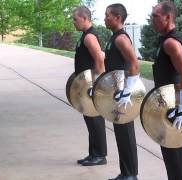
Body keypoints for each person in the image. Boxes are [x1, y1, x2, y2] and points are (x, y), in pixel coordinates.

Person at [150, 2, 182, 180]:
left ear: (167, 17)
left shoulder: (171, 42)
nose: (152, 20)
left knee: (176, 157)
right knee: (171, 156)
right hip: (166, 107)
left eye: (155, 16)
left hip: (174, 111)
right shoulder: (165, 40)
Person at [104, 3, 139, 180]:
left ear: (118, 18)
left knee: (125, 133)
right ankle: (126, 173)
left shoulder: (121, 39)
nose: (105, 18)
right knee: (121, 133)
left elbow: (134, 65)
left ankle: (130, 174)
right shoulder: (114, 37)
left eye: (108, 15)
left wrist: (128, 91)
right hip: (116, 93)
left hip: (123, 96)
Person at [72, 6, 107, 166]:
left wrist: (98, 85)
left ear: (85, 18)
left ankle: (100, 155)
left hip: (92, 85)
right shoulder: (85, 35)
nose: (74, 22)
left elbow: (99, 59)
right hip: (85, 85)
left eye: (75, 19)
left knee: (95, 120)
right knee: (90, 119)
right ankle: (93, 153)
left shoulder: (89, 37)